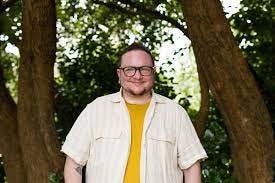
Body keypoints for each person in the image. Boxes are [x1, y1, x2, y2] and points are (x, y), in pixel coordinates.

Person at [61, 43, 207, 183]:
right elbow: (74, 163)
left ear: (153, 72)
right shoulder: (95, 110)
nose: (137, 76)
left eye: (144, 69)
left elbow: (191, 167)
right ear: (119, 74)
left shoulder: (176, 114)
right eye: (130, 69)